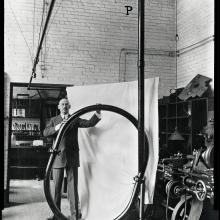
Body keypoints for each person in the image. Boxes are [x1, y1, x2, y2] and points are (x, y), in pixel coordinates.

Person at [43, 98, 101, 220]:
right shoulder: (54, 120)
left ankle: (74, 216)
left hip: (72, 158)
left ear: (69, 107)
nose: (64, 106)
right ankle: (56, 215)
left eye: (66, 104)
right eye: (62, 104)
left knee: (72, 189)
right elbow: (45, 132)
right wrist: (57, 127)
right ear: (59, 107)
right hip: (58, 157)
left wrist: (97, 112)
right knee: (57, 189)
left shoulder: (74, 118)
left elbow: (89, 123)